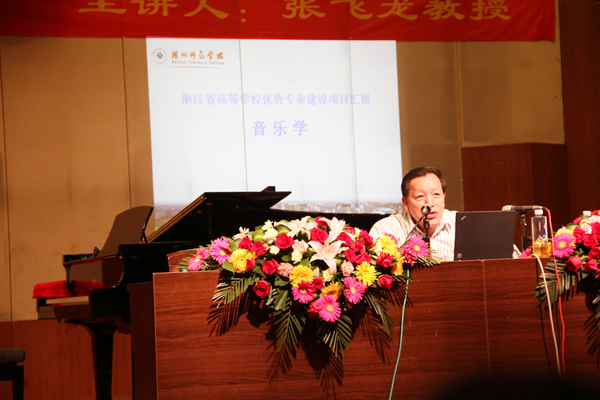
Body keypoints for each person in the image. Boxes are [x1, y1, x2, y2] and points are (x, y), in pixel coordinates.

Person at [369, 166, 456, 261]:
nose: (429, 203)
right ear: (405, 203)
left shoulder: (459, 224)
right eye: (420, 196)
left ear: (444, 197)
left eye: (436, 194)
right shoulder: (385, 230)